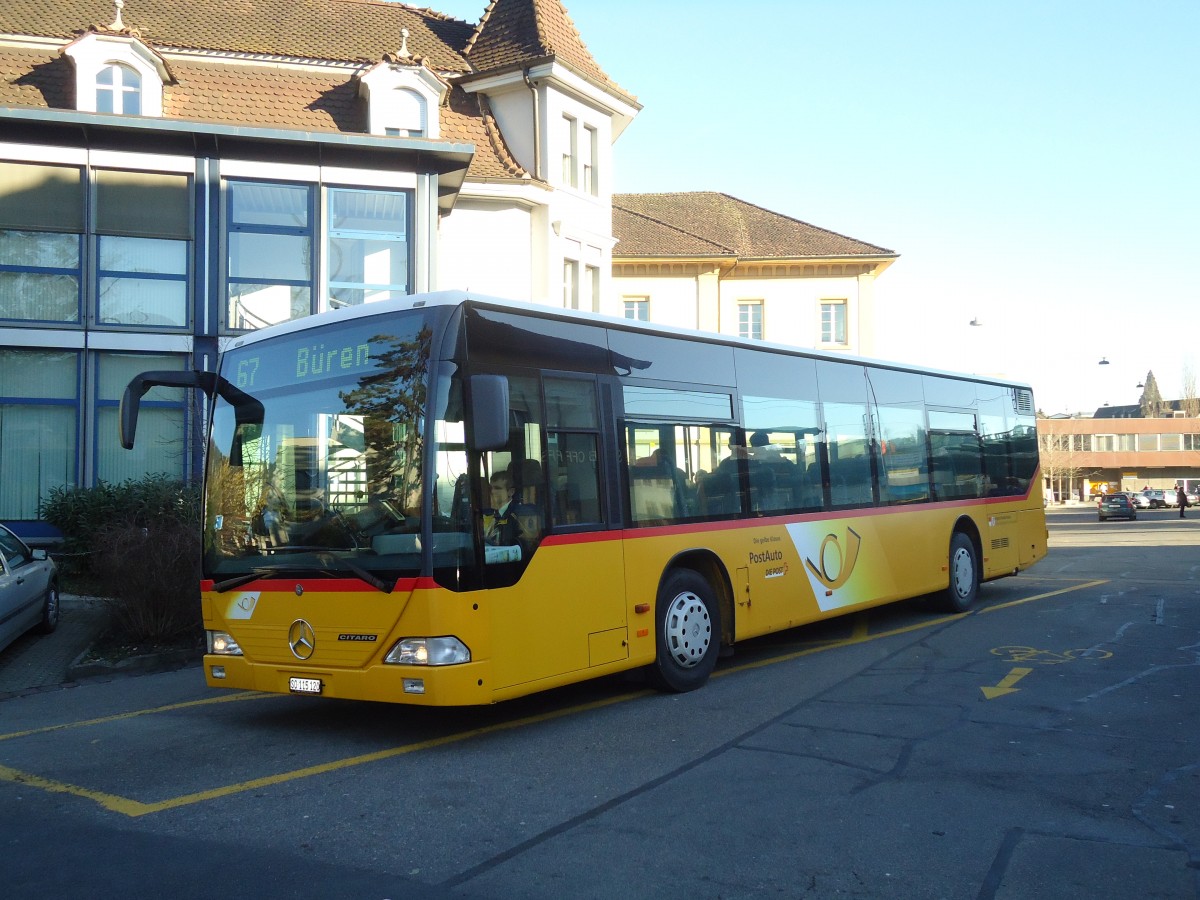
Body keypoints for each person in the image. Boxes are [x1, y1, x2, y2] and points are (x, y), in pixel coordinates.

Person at [483, 471, 521, 545]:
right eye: (491, 488)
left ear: (511, 492)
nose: (492, 491)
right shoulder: (486, 514)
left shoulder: (518, 516)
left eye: (497, 488)